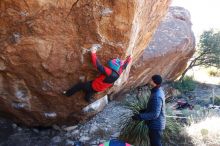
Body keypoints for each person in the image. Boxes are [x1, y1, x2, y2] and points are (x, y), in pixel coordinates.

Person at [63, 45, 131, 103]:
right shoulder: (119, 71)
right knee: (90, 92)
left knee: (80, 86)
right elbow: (124, 66)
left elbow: (98, 65)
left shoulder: (109, 72)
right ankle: (87, 99)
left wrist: (93, 53)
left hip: (94, 85)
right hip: (100, 88)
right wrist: (129, 58)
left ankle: (67, 94)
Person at [132, 75, 166, 146]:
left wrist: (139, 116)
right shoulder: (158, 91)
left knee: (156, 144)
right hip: (156, 124)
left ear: (154, 83)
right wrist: (144, 111)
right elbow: (154, 108)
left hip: (156, 125)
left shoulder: (157, 95)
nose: (149, 81)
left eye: (151, 80)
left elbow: (155, 114)